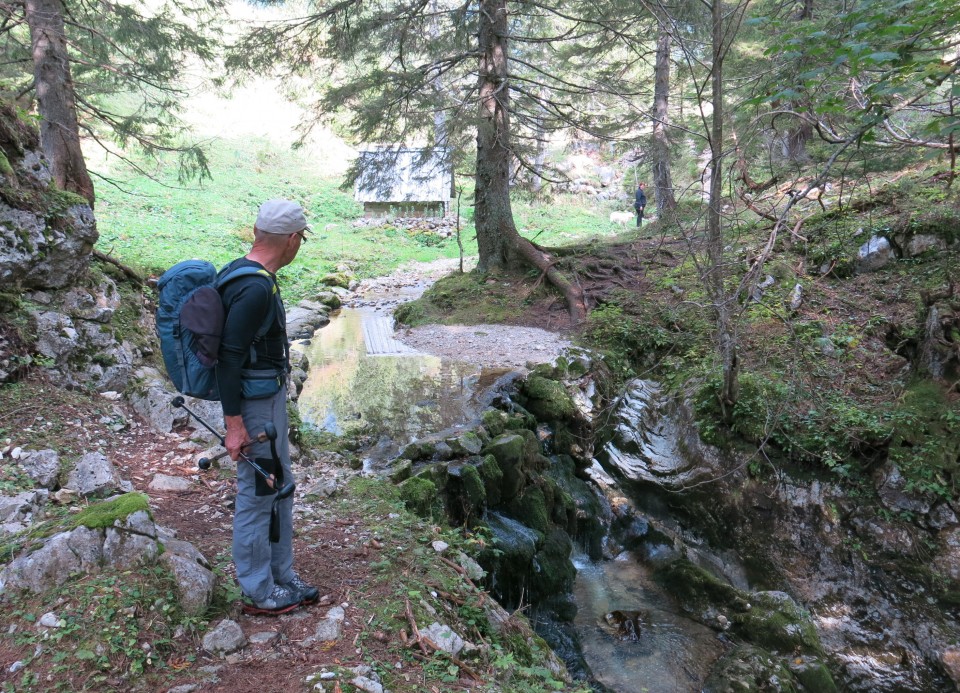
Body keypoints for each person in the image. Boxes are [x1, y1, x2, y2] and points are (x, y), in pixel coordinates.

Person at [216, 198, 318, 615]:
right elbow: (229, 357)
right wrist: (234, 425)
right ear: (291, 239)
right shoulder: (254, 287)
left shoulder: (245, 275)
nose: (300, 247)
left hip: (266, 401)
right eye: (301, 241)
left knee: (279, 484)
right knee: (259, 489)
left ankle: (281, 572)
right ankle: (259, 589)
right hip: (254, 409)